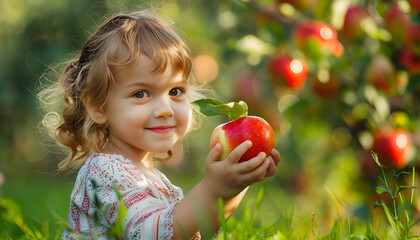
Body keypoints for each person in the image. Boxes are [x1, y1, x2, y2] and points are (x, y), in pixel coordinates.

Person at [39, 10, 280, 239]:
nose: (165, 109)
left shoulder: (152, 180)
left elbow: (194, 234)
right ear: (98, 107)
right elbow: (153, 234)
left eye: (175, 90)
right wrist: (211, 190)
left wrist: (233, 188)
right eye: (141, 94)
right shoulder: (104, 173)